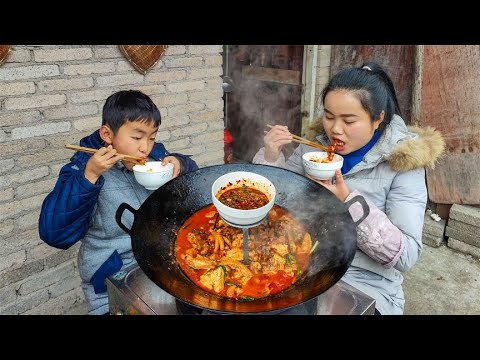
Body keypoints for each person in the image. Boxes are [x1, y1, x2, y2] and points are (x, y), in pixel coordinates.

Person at [253, 62, 445, 315]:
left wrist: (347, 200)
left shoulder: (403, 164)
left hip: (363, 282)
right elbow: (277, 204)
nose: (335, 129)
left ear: (378, 119)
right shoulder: (313, 148)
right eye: (329, 116)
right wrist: (270, 156)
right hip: (300, 265)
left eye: (349, 120)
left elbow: (406, 255)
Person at [39, 90, 198, 315]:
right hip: (112, 285)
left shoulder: (155, 158)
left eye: (151, 137)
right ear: (107, 134)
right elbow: (55, 233)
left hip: (159, 272)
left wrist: (181, 165)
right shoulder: (82, 169)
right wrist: (89, 176)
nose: (145, 147)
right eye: (137, 137)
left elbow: (193, 181)